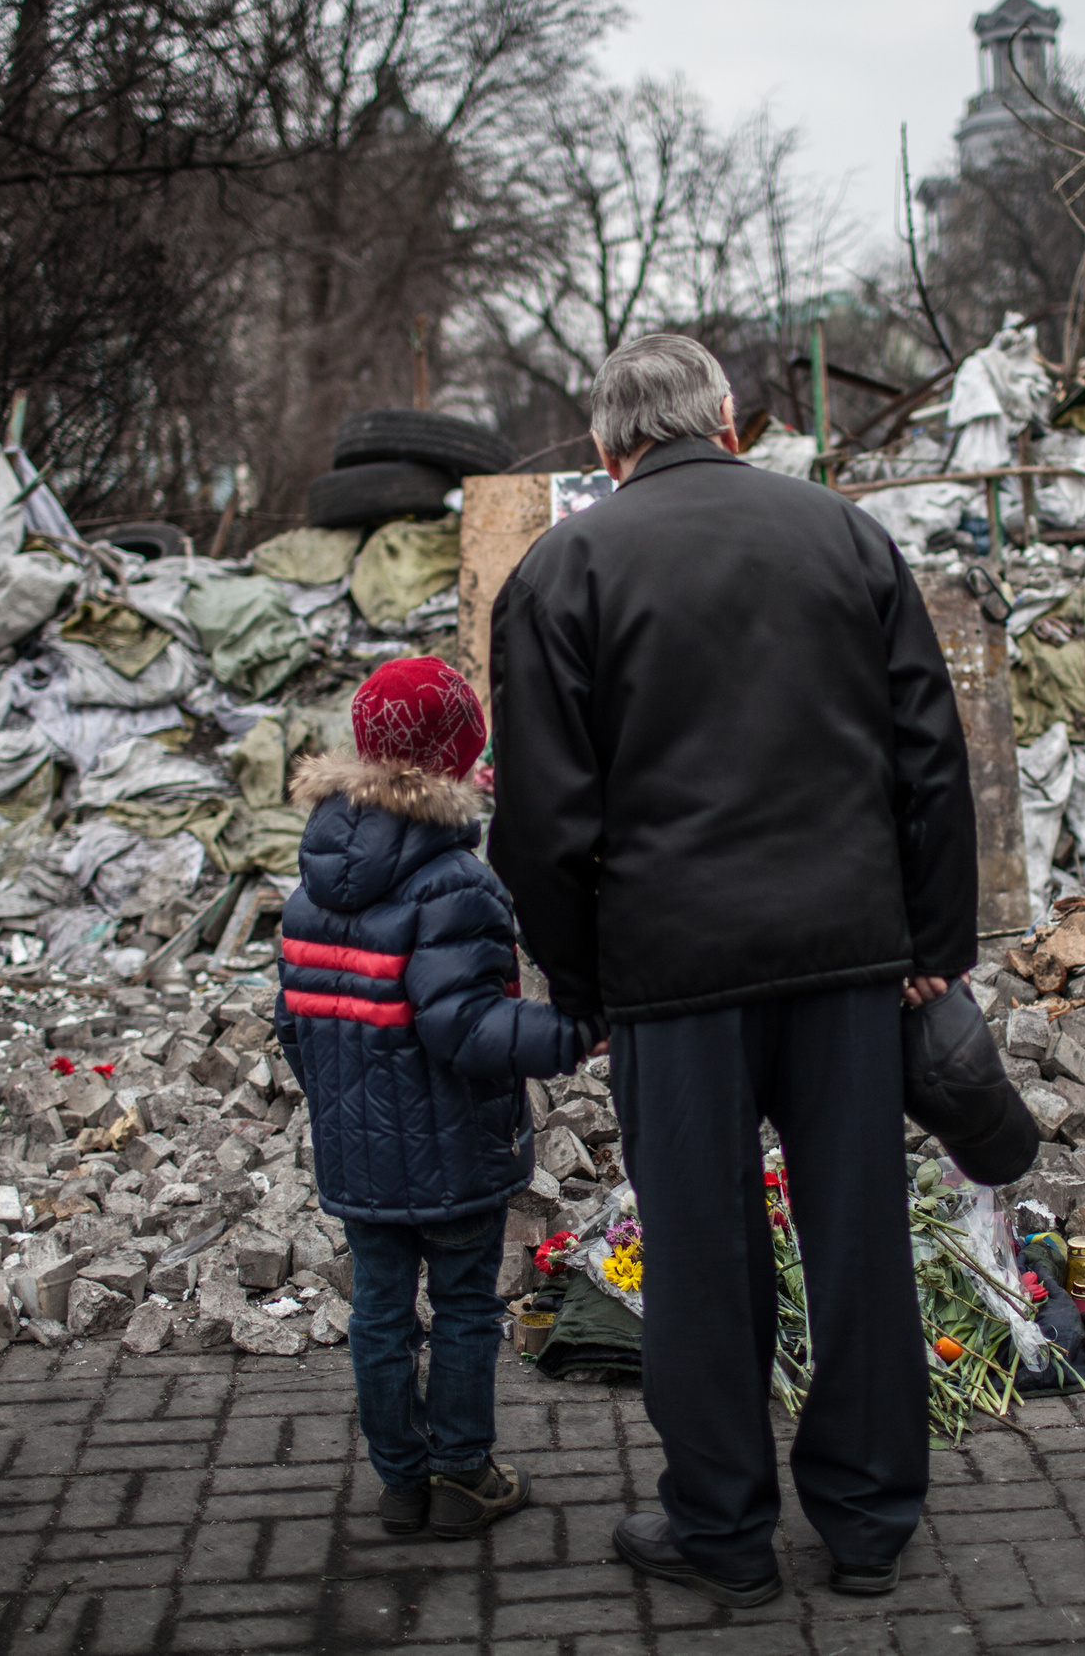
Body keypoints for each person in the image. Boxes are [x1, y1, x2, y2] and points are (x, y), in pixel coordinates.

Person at [488, 334, 978, 1605]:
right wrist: (932, 944)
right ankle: (868, 1524)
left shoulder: (561, 568)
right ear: (727, 420)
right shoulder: (848, 540)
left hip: (672, 970)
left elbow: (541, 820)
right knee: (858, 1234)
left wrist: (582, 980)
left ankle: (722, 1533)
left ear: (606, 450)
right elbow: (929, 752)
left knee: (703, 1257)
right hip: (845, 959)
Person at [274, 656, 600, 1541]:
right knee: (462, 1306)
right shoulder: (456, 883)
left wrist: (349, 1105)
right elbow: (468, 1030)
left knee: (379, 1310)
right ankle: (464, 1473)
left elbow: (294, 1025)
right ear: (457, 759)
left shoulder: (312, 885)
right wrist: (575, 1032)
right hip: (454, 1146)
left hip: (356, 1152)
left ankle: (399, 1483)